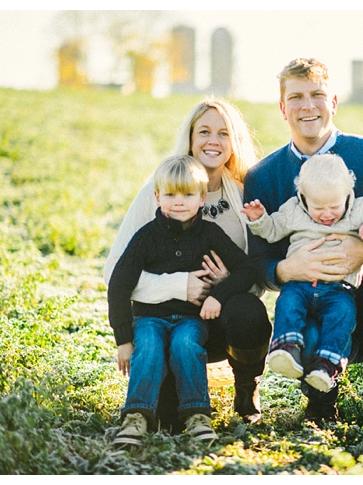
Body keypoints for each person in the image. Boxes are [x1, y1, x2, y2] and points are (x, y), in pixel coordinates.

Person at [242, 58, 363, 427]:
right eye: (297, 97)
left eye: (317, 95)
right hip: (311, 310)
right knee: (305, 306)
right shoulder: (264, 177)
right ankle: (320, 406)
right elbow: (257, 261)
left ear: (333, 101)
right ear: (282, 107)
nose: (308, 106)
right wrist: (286, 269)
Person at [104, 97, 272, 429]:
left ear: (234, 142)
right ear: (191, 139)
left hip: (218, 318)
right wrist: (181, 285)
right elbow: (115, 272)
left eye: (224, 133)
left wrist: (223, 287)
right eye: (204, 131)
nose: (213, 141)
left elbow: (256, 270)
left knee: (249, 313)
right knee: (168, 422)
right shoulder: (160, 192)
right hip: (162, 319)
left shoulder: (243, 196)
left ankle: (245, 389)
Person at [108, 155, 255, 446]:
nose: (179, 201)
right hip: (148, 318)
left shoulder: (210, 234)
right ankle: (135, 418)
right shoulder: (145, 237)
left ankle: (197, 415)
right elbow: (119, 285)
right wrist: (123, 339)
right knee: (148, 344)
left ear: (202, 199)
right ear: (157, 197)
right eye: (171, 194)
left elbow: (246, 269)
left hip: (191, 319)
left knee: (185, 343)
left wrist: (217, 296)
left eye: (188, 194)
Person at [241, 153, 363, 393]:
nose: (326, 214)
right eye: (318, 207)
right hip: (300, 282)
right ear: (303, 197)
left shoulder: (359, 208)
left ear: (347, 195)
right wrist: (259, 219)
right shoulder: (293, 210)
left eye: (334, 206)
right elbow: (272, 231)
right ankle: (286, 346)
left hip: (338, 289)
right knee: (288, 303)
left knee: (343, 316)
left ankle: (328, 364)